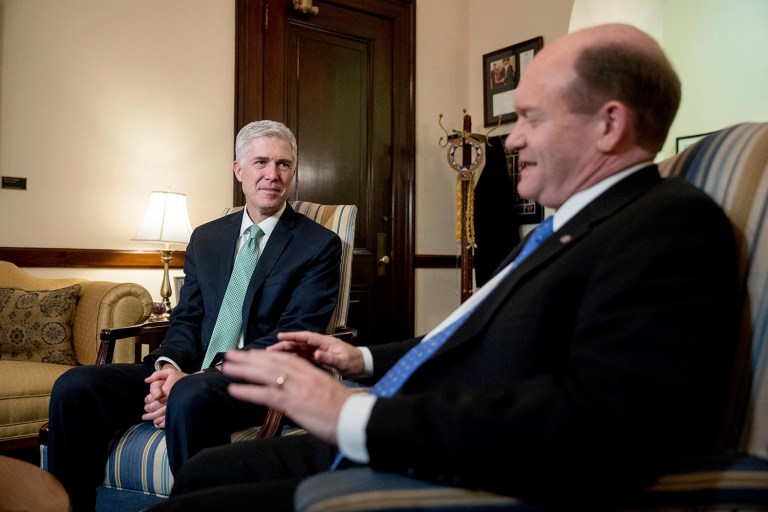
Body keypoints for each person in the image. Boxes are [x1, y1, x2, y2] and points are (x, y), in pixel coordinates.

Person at [147, 23, 740, 511]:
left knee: (200, 504)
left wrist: (353, 412)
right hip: (407, 426)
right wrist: (365, 359)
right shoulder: (566, 227)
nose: (511, 141)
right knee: (206, 474)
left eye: (532, 117)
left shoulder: (667, 226)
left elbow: (599, 425)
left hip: (463, 463)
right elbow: (472, 335)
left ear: (609, 125)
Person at [47, 120, 342, 512]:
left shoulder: (318, 244)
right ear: (238, 170)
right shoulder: (207, 237)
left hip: (258, 379)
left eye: (283, 164)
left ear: (293, 171)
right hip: (189, 372)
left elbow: (294, 334)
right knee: (75, 385)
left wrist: (198, 378)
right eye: (260, 162)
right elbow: (186, 320)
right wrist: (167, 369)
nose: (272, 175)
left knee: (191, 393)